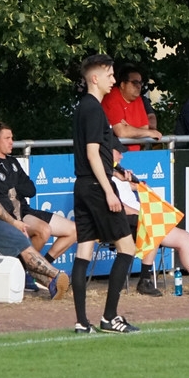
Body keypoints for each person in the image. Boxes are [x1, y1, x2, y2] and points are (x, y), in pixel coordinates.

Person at [70, 54, 138, 333]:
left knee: (84, 251)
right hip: (97, 187)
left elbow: (96, 153)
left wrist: (116, 171)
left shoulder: (82, 108)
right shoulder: (94, 109)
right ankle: (110, 317)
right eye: (110, 75)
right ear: (95, 78)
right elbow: (92, 154)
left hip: (82, 186)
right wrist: (110, 190)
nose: (113, 79)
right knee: (128, 248)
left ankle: (81, 322)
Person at [0, 132, 70, 300]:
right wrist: (14, 223)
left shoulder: (0, 166)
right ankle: (55, 275)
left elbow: (12, 196)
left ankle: (51, 284)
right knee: (22, 244)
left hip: (4, 219)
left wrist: (18, 220)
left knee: (24, 246)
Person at [0, 121, 76, 291]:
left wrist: (13, 186)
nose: (12, 142)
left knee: (73, 230)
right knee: (44, 230)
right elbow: (0, 192)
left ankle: (38, 270)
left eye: (12, 138)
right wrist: (14, 186)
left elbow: (30, 189)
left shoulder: (13, 162)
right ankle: (27, 272)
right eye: (7, 138)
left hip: (25, 210)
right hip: (9, 214)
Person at [112, 172, 189, 297]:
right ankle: (144, 280)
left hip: (143, 220)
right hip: (123, 222)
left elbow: (147, 191)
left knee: (184, 238)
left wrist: (138, 183)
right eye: (117, 156)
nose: (120, 160)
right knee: (153, 227)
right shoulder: (106, 178)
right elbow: (117, 205)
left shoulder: (120, 176)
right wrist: (144, 215)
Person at [100, 65, 162, 151]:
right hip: (114, 153)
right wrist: (148, 133)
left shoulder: (138, 99)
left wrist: (129, 128)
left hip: (134, 153)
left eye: (140, 83)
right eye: (134, 83)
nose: (139, 86)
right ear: (123, 85)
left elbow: (144, 127)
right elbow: (122, 132)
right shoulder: (112, 98)